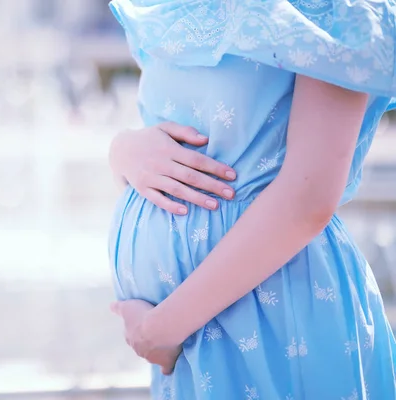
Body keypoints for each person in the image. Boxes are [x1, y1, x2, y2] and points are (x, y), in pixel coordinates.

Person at [106, 1, 396, 399]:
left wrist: (158, 330)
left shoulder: (335, 9)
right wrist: (123, 151)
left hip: (273, 320)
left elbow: (307, 200)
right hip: (188, 333)